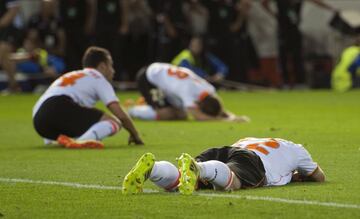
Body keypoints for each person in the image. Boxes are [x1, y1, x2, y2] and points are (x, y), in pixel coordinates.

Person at [122, 137, 325, 195]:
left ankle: (154, 169)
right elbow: (319, 176)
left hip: (227, 150)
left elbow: (237, 148)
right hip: (253, 161)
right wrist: (298, 174)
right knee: (232, 183)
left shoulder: (253, 138)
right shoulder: (297, 149)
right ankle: (198, 168)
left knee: (184, 182)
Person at [32, 46, 144, 149]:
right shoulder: (98, 77)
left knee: (86, 124)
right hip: (59, 106)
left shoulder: (72, 74)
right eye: (111, 65)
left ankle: (57, 141)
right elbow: (120, 114)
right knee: (114, 122)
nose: (113, 71)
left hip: (39, 121)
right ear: (102, 66)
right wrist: (135, 134)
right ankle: (82, 141)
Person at [127, 62, 249, 121]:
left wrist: (233, 116)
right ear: (199, 105)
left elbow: (218, 107)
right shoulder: (188, 91)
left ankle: (147, 105)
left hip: (162, 75)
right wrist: (224, 120)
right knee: (167, 114)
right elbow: (197, 116)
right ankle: (133, 110)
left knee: (181, 115)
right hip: (148, 78)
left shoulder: (209, 89)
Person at [261, 0, 337, 87]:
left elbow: (316, 2)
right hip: (283, 30)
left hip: (295, 30)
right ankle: (285, 82)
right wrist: (274, 14)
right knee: (283, 57)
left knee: (297, 56)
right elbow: (264, 3)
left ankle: (300, 82)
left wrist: (331, 9)